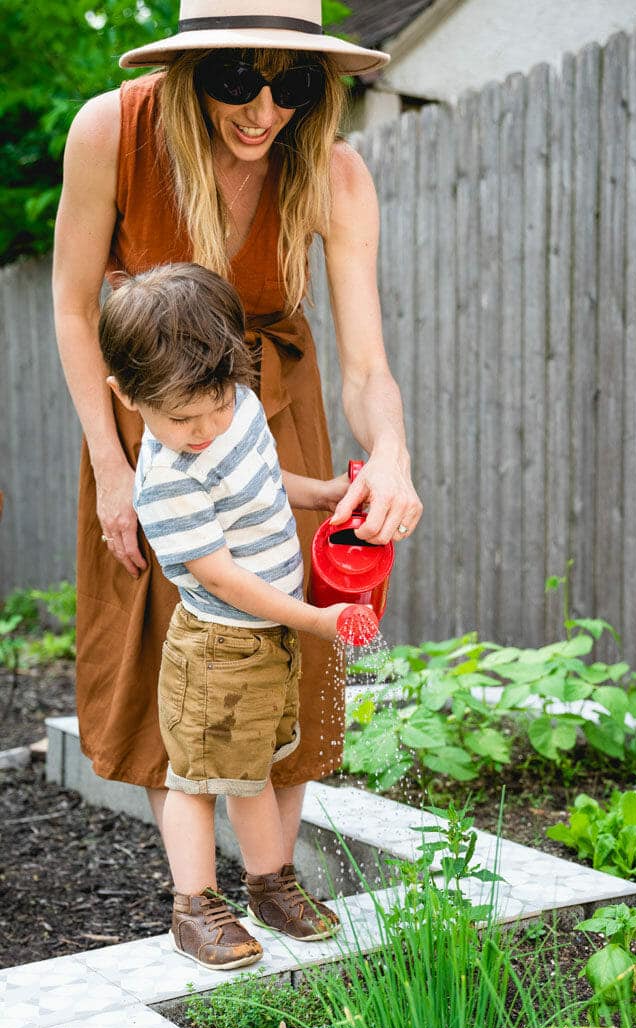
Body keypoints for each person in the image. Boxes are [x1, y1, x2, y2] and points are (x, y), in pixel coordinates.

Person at [52, 0, 423, 925]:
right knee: (163, 656)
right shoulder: (112, 130)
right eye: (234, 80)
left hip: (272, 415)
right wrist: (111, 461)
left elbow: (368, 363)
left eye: (290, 82)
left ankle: (272, 878)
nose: (263, 110)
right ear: (189, 71)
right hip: (157, 425)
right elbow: (69, 305)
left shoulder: (335, 171)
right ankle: (194, 892)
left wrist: (393, 455)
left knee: (288, 646)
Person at [99, 261, 372, 966]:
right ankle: (194, 905)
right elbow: (219, 575)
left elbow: (259, 477)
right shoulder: (166, 479)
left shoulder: (234, 406)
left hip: (267, 639)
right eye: (183, 417)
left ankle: (268, 883)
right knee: (195, 778)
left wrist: (318, 491)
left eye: (217, 404)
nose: (206, 428)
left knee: (255, 767)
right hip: (219, 646)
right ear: (127, 396)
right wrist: (316, 620)